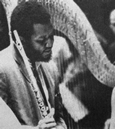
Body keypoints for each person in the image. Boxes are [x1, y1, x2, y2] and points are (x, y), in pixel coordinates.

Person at [0, 1, 66, 129]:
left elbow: (59, 117)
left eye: (51, 37)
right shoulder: (2, 68)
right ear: (21, 40)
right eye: (41, 40)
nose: (49, 44)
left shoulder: (50, 67)